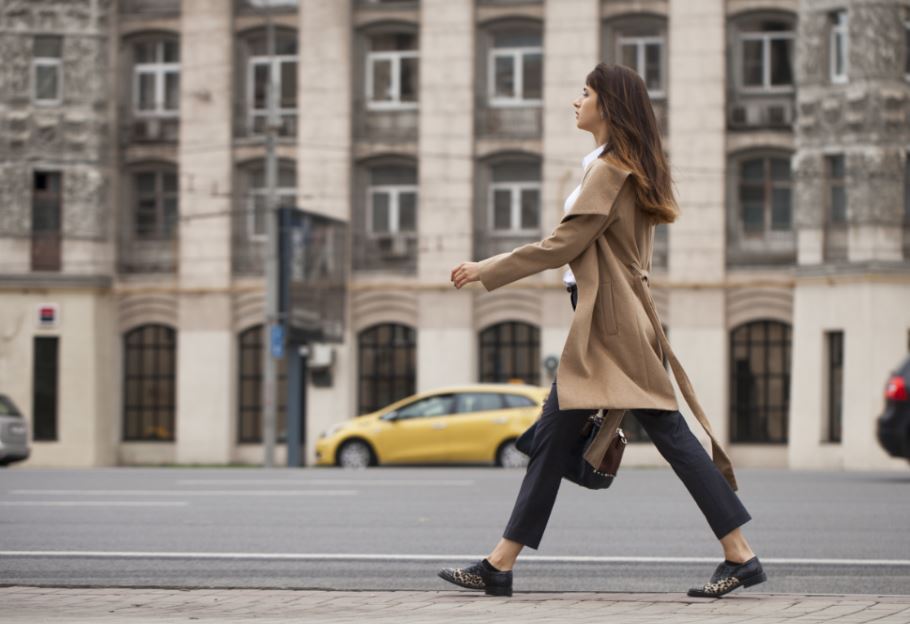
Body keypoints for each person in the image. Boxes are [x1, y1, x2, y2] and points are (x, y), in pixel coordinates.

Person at [439, 63, 766, 599]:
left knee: (670, 434)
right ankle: (499, 564)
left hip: (610, 325)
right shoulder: (617, 165)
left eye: (585, 93)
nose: (576, 101)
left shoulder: (612, 171)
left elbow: (562, 245)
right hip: (607, 318)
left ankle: (740, 554)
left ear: (608, 106)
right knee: (552, 439)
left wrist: (487, 269)